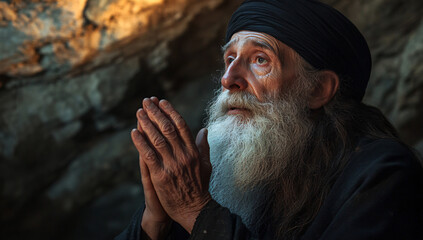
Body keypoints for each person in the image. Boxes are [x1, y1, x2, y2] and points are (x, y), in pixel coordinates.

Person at [116, 0, 423, 239]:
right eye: (229, 59)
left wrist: (194, 209)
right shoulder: (245, 169)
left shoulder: (382, 175)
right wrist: (155, 223)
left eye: (260, 59)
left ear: (317, 90)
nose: (228, 80)